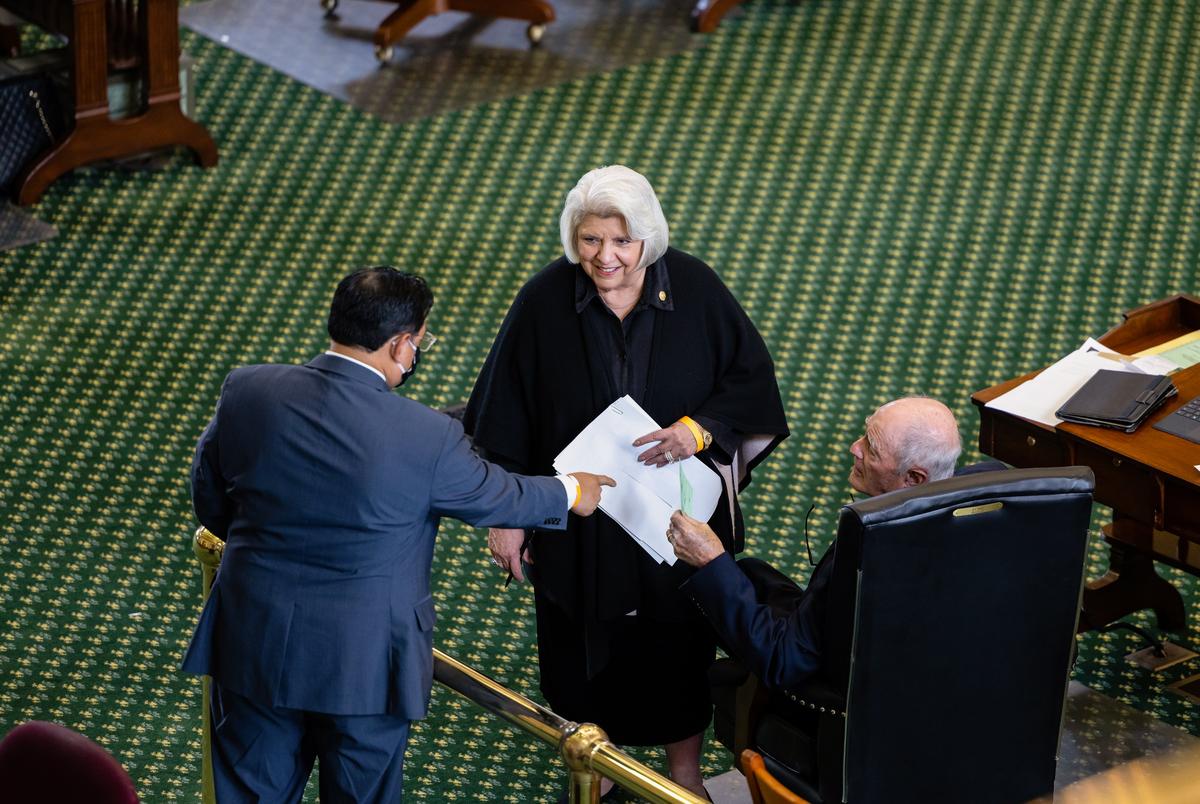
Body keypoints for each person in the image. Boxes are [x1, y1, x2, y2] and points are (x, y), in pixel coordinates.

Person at [181, 266, 614, 803]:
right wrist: (573, 490)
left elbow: (210, 499)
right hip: (365, 666)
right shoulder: (427, 436)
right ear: (401, 344)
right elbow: (496, 495)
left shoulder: (248, 390)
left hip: (254, 640)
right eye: (421, 340)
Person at [463, 165, 789, 796]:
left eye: (620, 242)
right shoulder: (542, 301)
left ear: (648, 239)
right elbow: (503, 411)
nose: (605, 257)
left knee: (678, 645)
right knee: (578, 647)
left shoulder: (695, 288)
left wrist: (695, 431)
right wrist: (505, 515)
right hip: (577, 521)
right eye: (590, 240)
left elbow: (752, 384)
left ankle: (684, 771)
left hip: (672, 518)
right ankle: (597, 766)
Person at [668, 396, 964, 691]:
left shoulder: (869, 547)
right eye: (865, 433)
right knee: (750, 573)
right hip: (935, 669)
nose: (855, 447)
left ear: (913, 478)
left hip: (843, 686)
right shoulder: (985, 505)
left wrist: (711, 560)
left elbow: (784, 661)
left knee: (706, 584)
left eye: (871, 448)